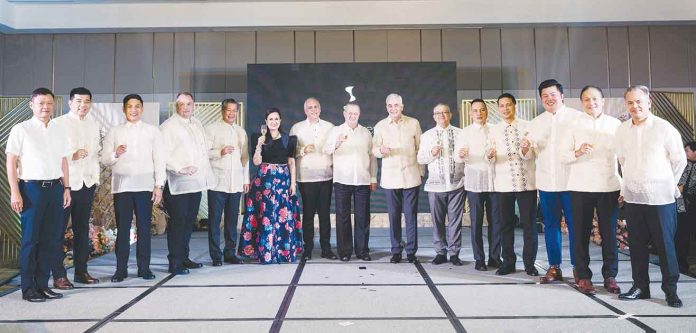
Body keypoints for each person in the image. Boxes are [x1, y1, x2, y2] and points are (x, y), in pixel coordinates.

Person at [615, 85, 687, 308]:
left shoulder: (664, 128)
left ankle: (670, 291)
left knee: (665, 246)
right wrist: (627, 187)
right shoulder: (622, 130)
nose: (635, 106)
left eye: (639, 101)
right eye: (630, 102)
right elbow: (622, 161)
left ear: (649, 102)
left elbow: (679, 161)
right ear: (626, 104)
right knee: (636, 246)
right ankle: (640, 287)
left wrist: (667, 183)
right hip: (634, 198)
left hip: (660, 199)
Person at [6, 88, 71, 302]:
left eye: (49, 103)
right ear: (32, 105)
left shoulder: (58, 129)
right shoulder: (21, 129)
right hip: (31, 189)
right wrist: (15, 192)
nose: (46, 107)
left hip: (55, 188)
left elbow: (63, 160)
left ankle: (43, 285)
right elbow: (11, 161)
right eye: (41, 103)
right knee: (30, 240)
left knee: (50, 240)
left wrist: (67, 188)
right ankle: (28, 289)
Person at [560, 86, 622, 295]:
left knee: (609, 233)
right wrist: (576, 152)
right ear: (581, 102)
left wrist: (623, 184)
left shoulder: (615, 124)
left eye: (595, 99)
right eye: (586, 99)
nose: (591, 102)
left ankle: (610, 275)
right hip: (580, 185)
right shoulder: (572, 124)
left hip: (608, 185)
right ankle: (583, 275)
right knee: (580, 232)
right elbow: (561, 155)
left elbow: (624, 157)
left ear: (603, 101)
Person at [101, 94, 166, 282]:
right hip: (122, 187)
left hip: (145, 186)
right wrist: (115, 153)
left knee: (145, 229)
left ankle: (143, 268)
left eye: (137, 106)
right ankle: (120, 269)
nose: (134, 110)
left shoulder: (152, 131)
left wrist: (159, 185)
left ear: (142, 109)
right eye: (130, 106)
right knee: (122, 229)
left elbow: (159, 160)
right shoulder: (115, 132)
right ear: (124, 109)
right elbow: (104, 159)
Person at [529, 79, 582, 284]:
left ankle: (579, 268)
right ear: (541, 99)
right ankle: (554, 266)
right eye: (545, 96)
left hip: (571, 182)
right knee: (550, 226)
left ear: (562, 96)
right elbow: (528, 155)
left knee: (575, 226)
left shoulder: (577, 119)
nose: (549, 99)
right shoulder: (536, 122)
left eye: (553, 94)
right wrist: (525, 148)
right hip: (546, 182)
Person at [50, 87, 100, 289]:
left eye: (87, 101)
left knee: (82, 230)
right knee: (58, 230)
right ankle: (59, 275)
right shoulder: (57, 124)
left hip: (86, 184)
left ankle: (81, 271)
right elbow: (52, 154)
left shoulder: (94, 124)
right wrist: (72, 155)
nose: (83, 105)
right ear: (70, 102)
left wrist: (95, 179)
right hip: (65, 185)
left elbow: (95, 154)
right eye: (78, 101)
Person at [238, 108, 303, 264]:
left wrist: (293, 183)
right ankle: (264, 252)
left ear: (280, 121)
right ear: (266, 122)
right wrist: (259, 146)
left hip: (282, 181)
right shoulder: (258, 137)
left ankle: (283, 252)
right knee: (264, 216)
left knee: (283, 216)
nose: (273, 122)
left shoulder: (289, 139)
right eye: (270, 119)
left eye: (276, 119)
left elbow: (292, 163)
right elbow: (256, 162)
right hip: (263, 182)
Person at [161, 92, 216, 274]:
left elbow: (205, 147)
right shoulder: (168, 126)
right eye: (182, 104)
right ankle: (174, 262)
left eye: (189, 104)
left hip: (196, 183)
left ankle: (184, 257)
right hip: (178, 183)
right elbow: (162, 155)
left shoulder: (197, 123)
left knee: (189, 222)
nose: (185, 107)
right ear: (176, 106)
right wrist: (179, 168)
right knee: (178, 223)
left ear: (194, 105)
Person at [488, 93, 539, 276]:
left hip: (527, 183)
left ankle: (529, 264)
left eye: (508, 105)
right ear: (498, 108)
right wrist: (490, 155)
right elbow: (491, 158)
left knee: (529, 225)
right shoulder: (493, 130)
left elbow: (532, 154)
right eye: (501, 106)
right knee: (505, 225)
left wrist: (526, 149)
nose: (505, 108)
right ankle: (508, 262)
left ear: (514, 106)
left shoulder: (527, 126)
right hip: (503, 184)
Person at [323, 102, 377, 261]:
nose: (352, 116)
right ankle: (345, 252)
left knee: (362, 217)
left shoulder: (366, 133)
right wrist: (337, 143)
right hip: (342, 180)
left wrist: (373, 178)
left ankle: (362, 251)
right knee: (343, 217)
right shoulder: (336, 131)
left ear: (359, 115)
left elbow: (372, 157)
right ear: (344, 114)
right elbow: (326, 149)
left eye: (356, 114)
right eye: (350, 113)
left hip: (362, 180)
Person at [373, 93, 423, 263]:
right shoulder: (380, 126)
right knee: (393, 215)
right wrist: (381, 151)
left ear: (402, 106)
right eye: (390, 106)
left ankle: (411, 251)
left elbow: (420, 150)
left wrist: (421, 172)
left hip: (411, 176)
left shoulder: (413, 123)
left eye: (396, 105)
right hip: (390, 178)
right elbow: (373, 150)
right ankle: (395, 250)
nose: (393, 108)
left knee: (411, 215)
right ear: (386, 107)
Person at [455, 99, 501, 271]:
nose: (479, 113)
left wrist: (491, 155)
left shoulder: (494, 130)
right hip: (474, 183)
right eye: (475, 110)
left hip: (494, 183)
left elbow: (498, 155)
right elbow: (457, 157)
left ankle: (495, 257)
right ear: (470, 113)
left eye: (482, 110)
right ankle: (479, 258)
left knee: (495, 222)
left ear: (487, 112)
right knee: (476, 222)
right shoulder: (464, 133)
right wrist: (461, 154)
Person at [289, 98, 336, 261]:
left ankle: (326, 248)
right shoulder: (297, 127)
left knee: (324, 214)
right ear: (305, 110)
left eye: (316, 107)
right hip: (306, 178)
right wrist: (302, 150)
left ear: (320, 109)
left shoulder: (330, 127)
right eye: (310, 107)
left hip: (326, 176)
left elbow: (336, 150)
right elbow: (289, 152)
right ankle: (307, 248)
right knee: (308, 214)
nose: (313, 109)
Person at [417, 103, 465, 266]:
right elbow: (420, 159)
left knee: (455, 221)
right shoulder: (427, 136)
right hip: (435, 186)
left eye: (445, 113)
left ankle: (454, 253)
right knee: (437, 221)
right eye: (438, 113)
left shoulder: (460, 134)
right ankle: (440, 252)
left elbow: (466, 156)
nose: (441, 115)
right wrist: (432, 153)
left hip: (457, 184)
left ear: (450, 115)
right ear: (434, 116)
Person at [205, 98, 249, 266]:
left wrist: (245, 180)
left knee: (232, 221)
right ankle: (216, 255)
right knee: (215, 221)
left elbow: (244, 158)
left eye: (234, 111)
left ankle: (230, 253)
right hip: (217, 182)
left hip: (235, 183)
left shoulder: (241, 131)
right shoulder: (211, 129)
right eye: (228, 110)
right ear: (222, 111)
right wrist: (219, 152)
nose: (231, 113)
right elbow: (203, 153)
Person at [677, 141, 696, 274]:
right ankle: (681, 264)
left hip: (693, 204)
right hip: (683, 204)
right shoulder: (684, 165)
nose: (685, 153)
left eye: (687, 151)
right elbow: (680, 184)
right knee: (682, 235)